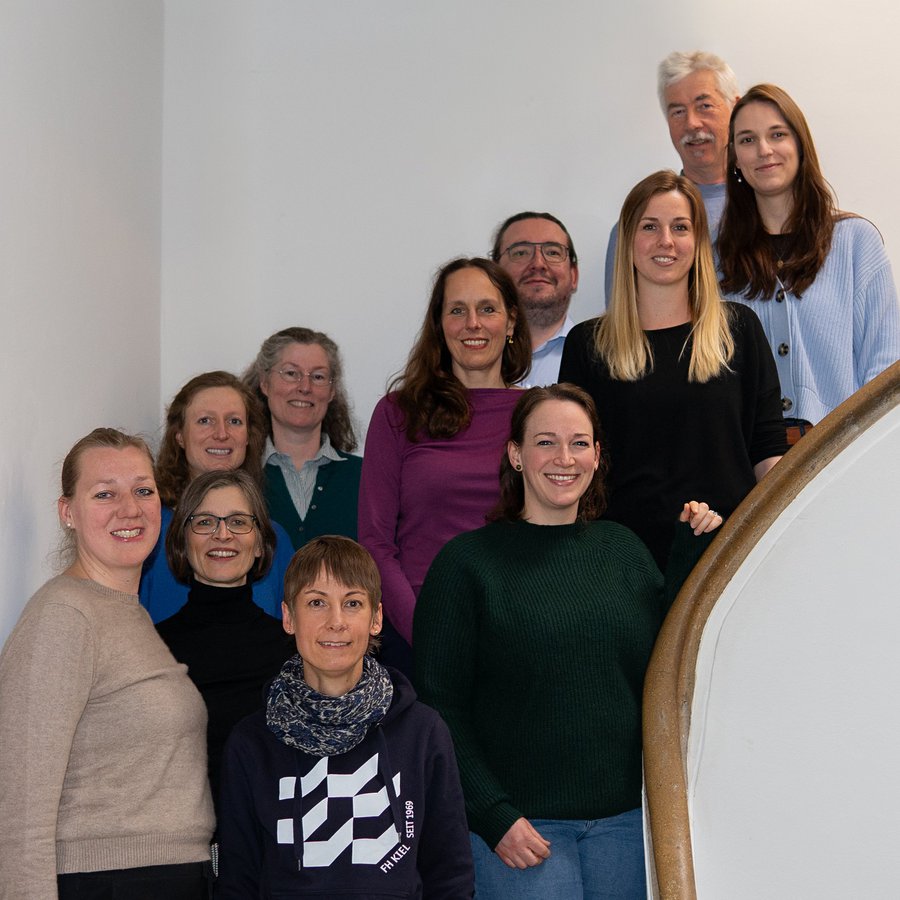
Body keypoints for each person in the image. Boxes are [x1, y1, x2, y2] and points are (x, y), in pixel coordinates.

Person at [414, 385, 713, 899]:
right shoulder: (466, 565)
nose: (564, 458)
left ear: (597, 456)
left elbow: (668, 664)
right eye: (546, 442)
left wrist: (692, 553)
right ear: (516, 454)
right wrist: (492, 814)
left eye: (579, 443)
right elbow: (440, 708)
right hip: (521, 831)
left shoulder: (623, 550)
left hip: (627, 825)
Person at [0, 428, 214, 899]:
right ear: (67, 512)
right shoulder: (64, 615)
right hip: (110, 883)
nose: (129, 508)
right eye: (104, 494)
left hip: (163, 878)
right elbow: (19, 806)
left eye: (143, 490)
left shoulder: (127, 615)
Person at [215, 535, 474, 898]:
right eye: (317, 603)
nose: (336, 621)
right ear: (288, 617)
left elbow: (450, 875)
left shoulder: (423, 732)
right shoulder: (251, 742)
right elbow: (237, 880)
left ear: (376, 618)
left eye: (352, 603)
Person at [560, 170, 786, 574]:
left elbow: (767, 448)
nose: (666, 241)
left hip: (727, 556)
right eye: (650, 227)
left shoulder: (740, 330)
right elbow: (575, 462)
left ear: (698, 243)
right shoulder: (587, 345)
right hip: (623, 562)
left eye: (680, 227)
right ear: (628, 242)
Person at [358, 257, 531, 672]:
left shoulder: (538, 414)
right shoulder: (398, 413)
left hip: (517, 633)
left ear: (510, 323)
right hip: (417, 634)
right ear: (440, 325)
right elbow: (375, 542)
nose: (473, 323)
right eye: (457, 310)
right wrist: (428, 632)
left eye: (487, 309)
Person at [717, 83, 900, 442]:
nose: (764, 150)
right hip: (748, 468)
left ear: (800, 144)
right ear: (735, 158)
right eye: (748, 140)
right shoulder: (714, 259)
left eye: (777, 134)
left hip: (842, 458)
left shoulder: (855, 242)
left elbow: (886, 367)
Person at [156, 469, 293, 815]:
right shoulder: (152, 648)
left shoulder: (293, 651)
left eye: (238, 522)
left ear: (261, 543)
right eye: (204, 522)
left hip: (270, 851)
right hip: (181, 851)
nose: (222, 534)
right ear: (182, 542)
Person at [141, 370, 294, 622]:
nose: (222, 434)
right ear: (179, 435)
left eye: (234, 421)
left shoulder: (274, 539)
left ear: (248, 437)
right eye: (205, 421)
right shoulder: (149, 530)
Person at [604, 51, 740, 302]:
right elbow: (621, 327)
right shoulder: (638, 226)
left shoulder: (769, 205)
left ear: (735, 108)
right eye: (677, 112)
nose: (692, 123)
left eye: (705, 106)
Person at [244, 327, 362, 551]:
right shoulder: (238, 476)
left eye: (318, 377)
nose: (305, 387)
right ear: (264, 382)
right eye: (291, 373)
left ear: (332, 391)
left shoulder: (365, 479)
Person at [491, 211, 579, 386]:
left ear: (574, 276)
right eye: (521, 253)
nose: (538, 263)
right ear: (494, 274)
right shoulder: (462, 360)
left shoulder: (603, 359)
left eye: (553, 252)